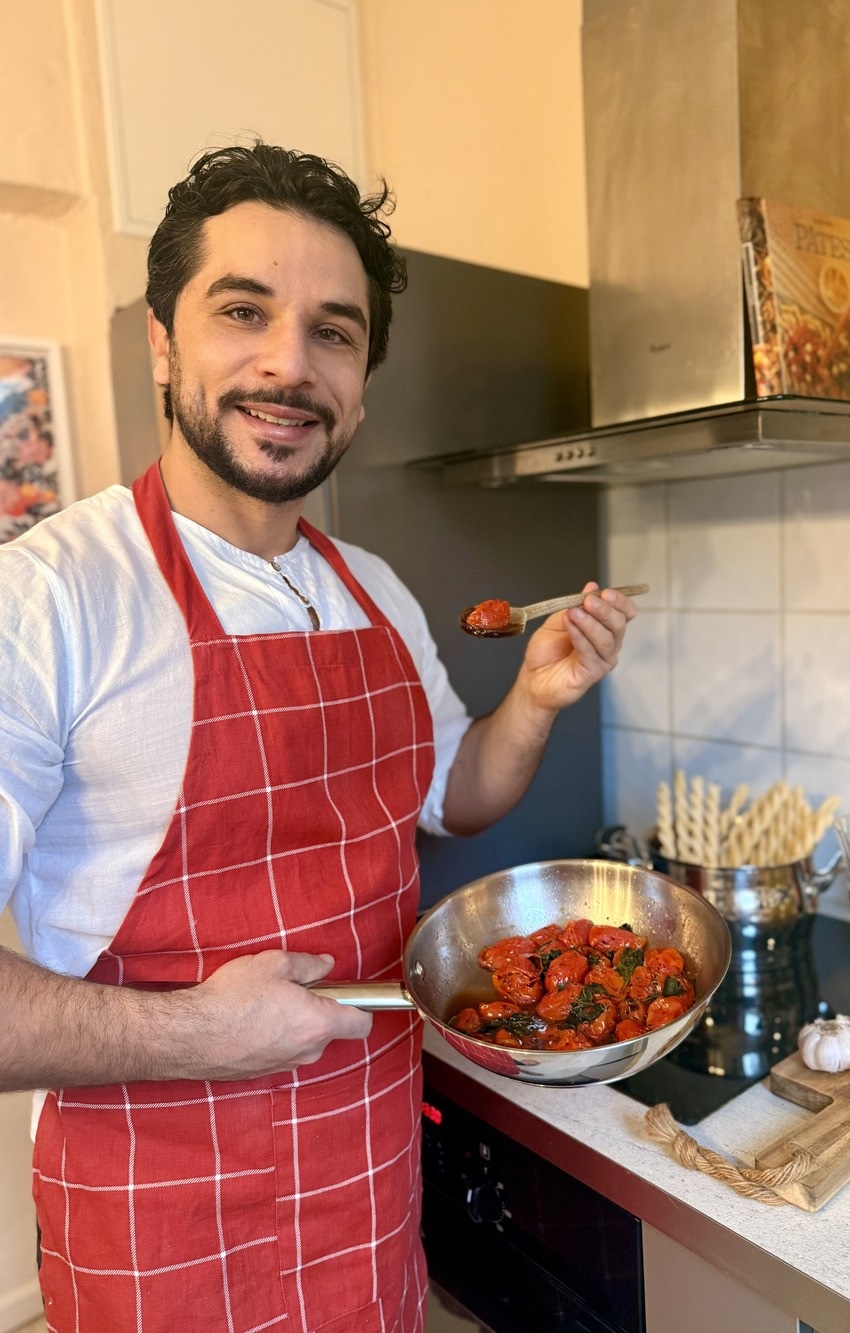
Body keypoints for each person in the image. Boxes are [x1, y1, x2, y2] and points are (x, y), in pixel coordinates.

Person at [0, 142, 639, 1332]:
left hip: (366, 1174)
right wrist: (193, 1033)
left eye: (334, 331)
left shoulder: (378, 592)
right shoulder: (47, 602)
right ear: (161, 338)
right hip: (159, 1221)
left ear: (363, 379)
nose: (289, 364)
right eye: (243, 310)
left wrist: (537, 701)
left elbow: (453, 794)